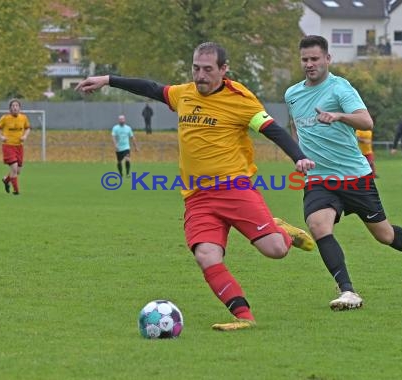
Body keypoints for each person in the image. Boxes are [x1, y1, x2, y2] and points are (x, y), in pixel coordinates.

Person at [76, 42, 316, 331]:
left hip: (234, 189)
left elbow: (273, 130)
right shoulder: (184, 94)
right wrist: (108, 80)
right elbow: (151, 88)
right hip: (197, 197)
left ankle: (282, 232)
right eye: (196, 68)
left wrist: (299, 157)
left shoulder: (240, 98)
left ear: (223, 70)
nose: (200, 76)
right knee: (206, 256)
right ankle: (244, 317)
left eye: (207, 70)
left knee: (276, 250)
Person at [285, 35, 402, 311]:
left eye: (315, 58)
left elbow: (367, 121)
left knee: (384, 235)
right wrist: (299, 156)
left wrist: (338, 116)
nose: (309, 64)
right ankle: (347, 291)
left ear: (328, 59)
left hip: (354, 177)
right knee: (318, 226)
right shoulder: (292, 94)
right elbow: (296, 128)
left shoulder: (340, 89)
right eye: (305, 59)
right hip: (319, 178)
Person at [0, 99, 31, 195]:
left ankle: (6, 180)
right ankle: (16, 191)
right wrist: (1, 137)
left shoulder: (23, 118)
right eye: (13, 106)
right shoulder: (5, 118)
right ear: (10, 108)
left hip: (19, 147)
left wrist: (25, 136)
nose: (15, 107)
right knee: (14, 168)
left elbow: (27, 128)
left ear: (19, 108)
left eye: (17, 106)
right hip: (8, 146)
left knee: (18, 171)